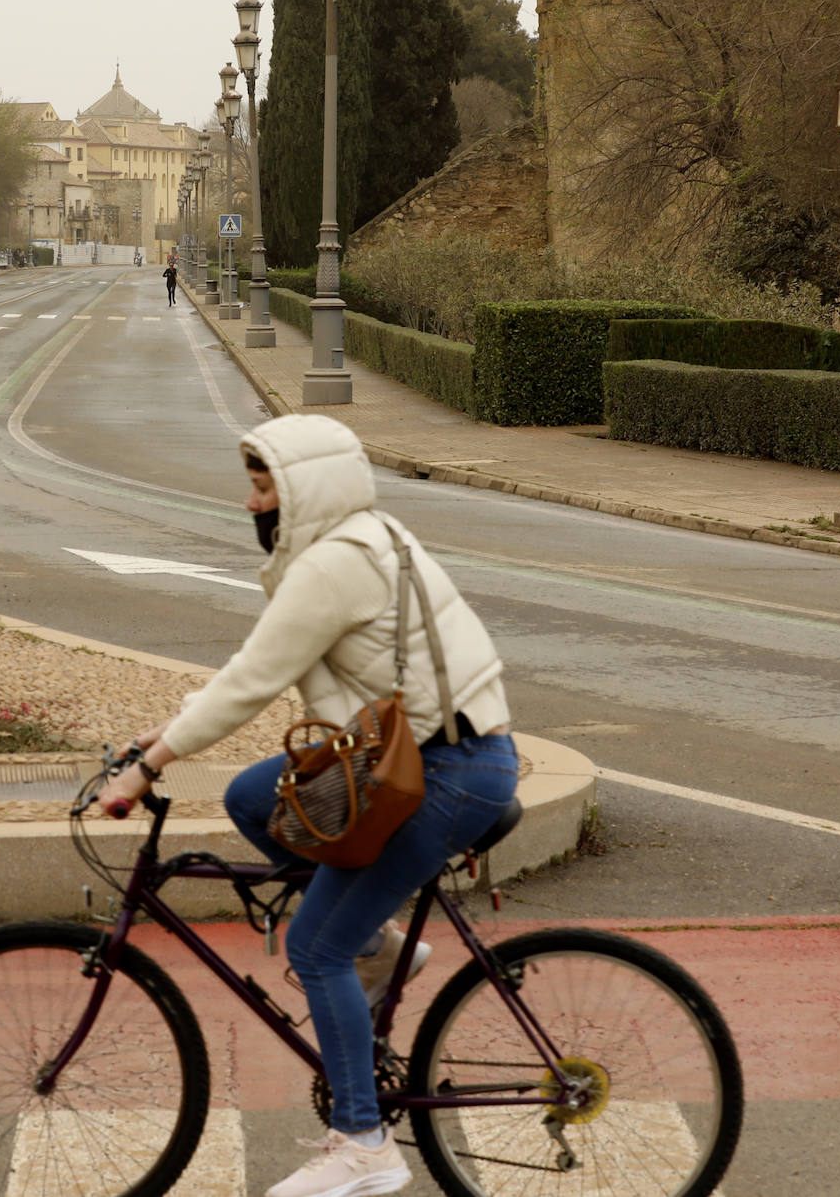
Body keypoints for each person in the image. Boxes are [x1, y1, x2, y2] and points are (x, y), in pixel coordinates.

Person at [100, 414, 517, 1197]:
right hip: (425, 754)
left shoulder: (332, 567)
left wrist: (146, 769)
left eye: (264, 486)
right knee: (252, 797)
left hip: (443, 771)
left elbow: (251, 680)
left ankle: (364, 1142)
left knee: (315, 948)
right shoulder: (369, 534)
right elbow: (252, 670)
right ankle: (382, 948)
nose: (251, 503)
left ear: (304, 490)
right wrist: (160, 735)